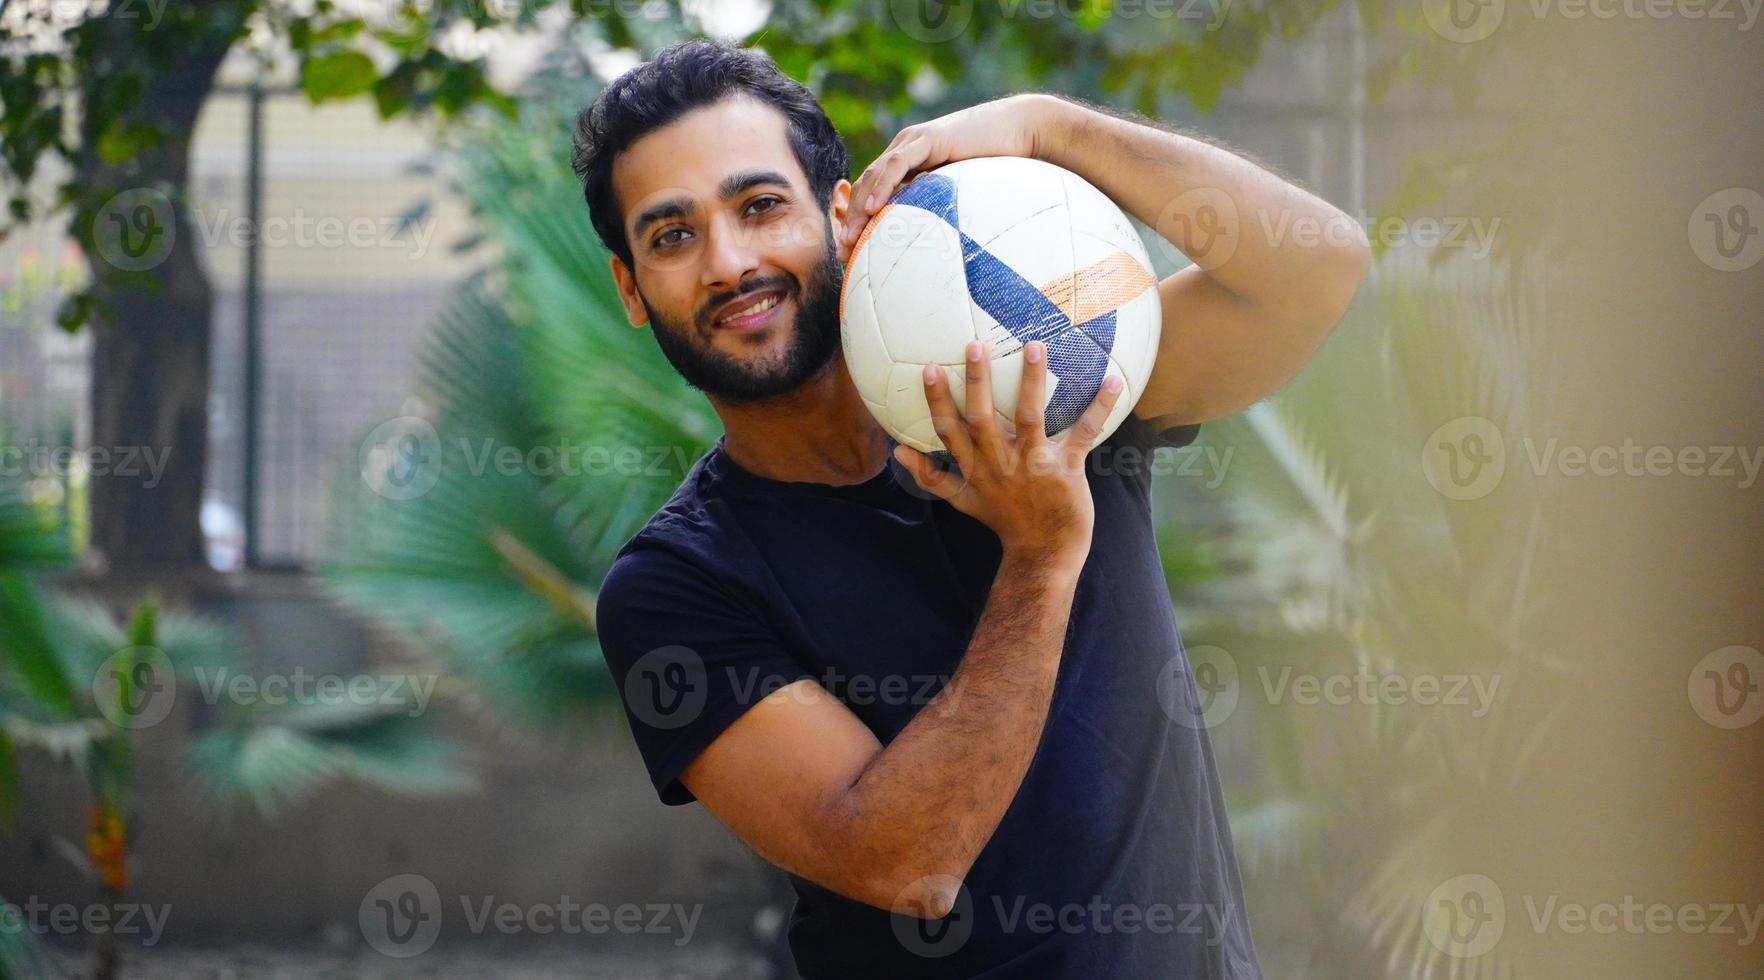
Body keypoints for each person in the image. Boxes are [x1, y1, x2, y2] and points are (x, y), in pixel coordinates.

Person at [572, 37, 1368, 979]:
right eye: (671, 235)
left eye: (760, 206)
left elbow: (1318, 271)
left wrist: (1051, 126)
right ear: (630, 287)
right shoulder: (677, 587)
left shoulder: (1044, 393)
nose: (728, 261)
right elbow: (905, 862)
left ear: (839, 214)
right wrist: (1040, 557)